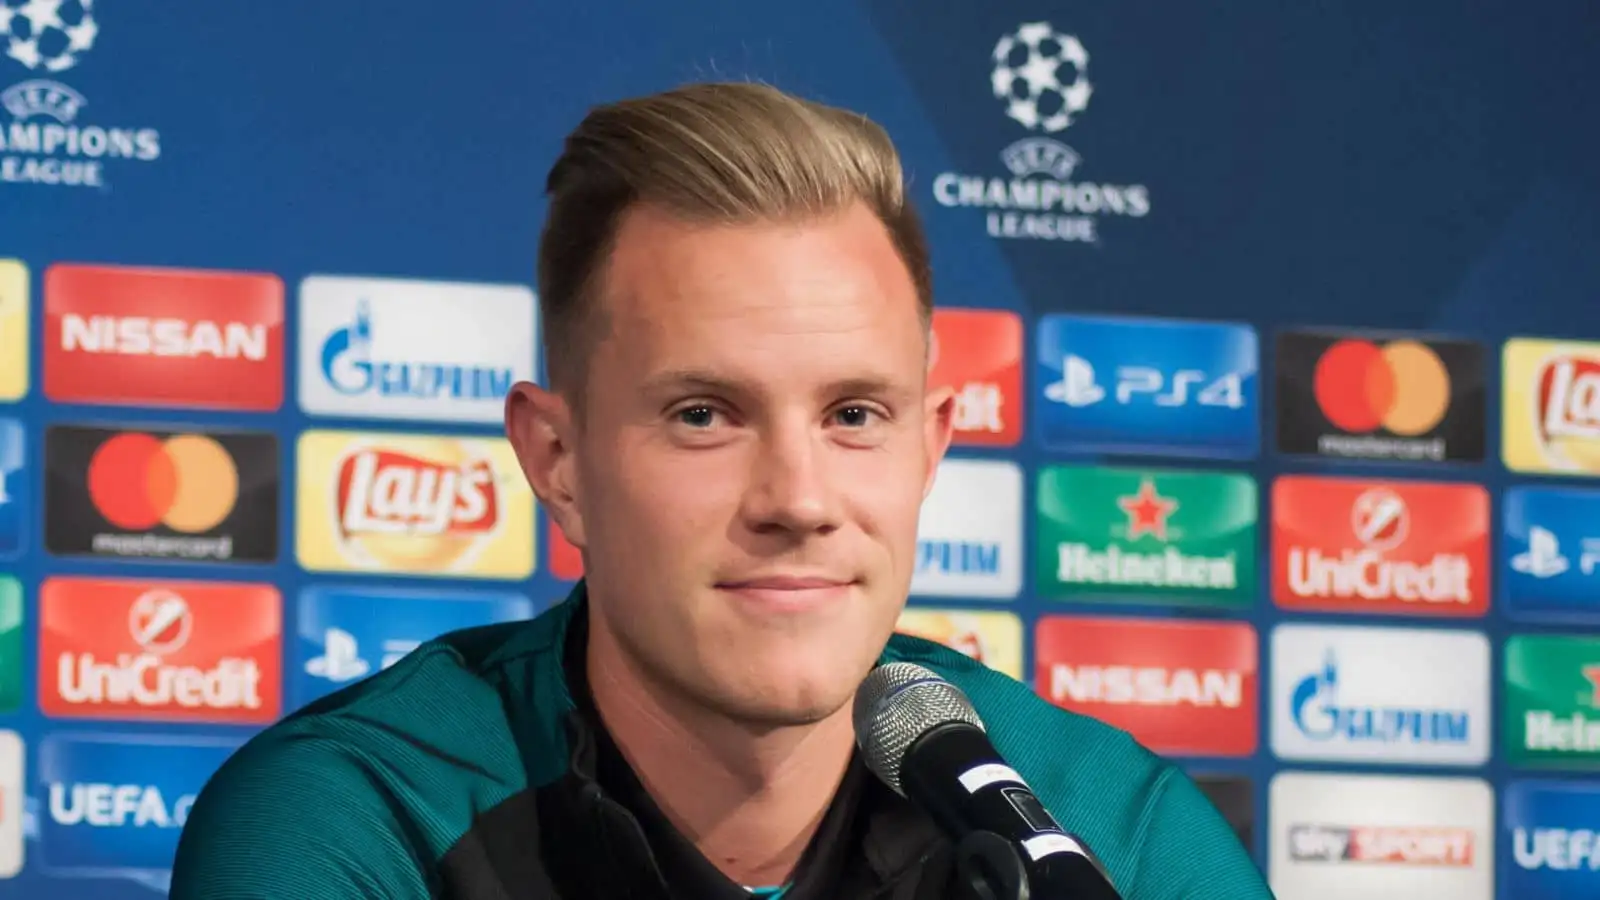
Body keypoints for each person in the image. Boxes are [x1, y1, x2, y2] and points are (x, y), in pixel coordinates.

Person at [170, 81, 1275, 900]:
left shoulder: (1108, 837)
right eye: (703, 415)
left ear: (930, 450)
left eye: (854, 416)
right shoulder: (361, 821)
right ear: (558, 462)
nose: (797, 499)